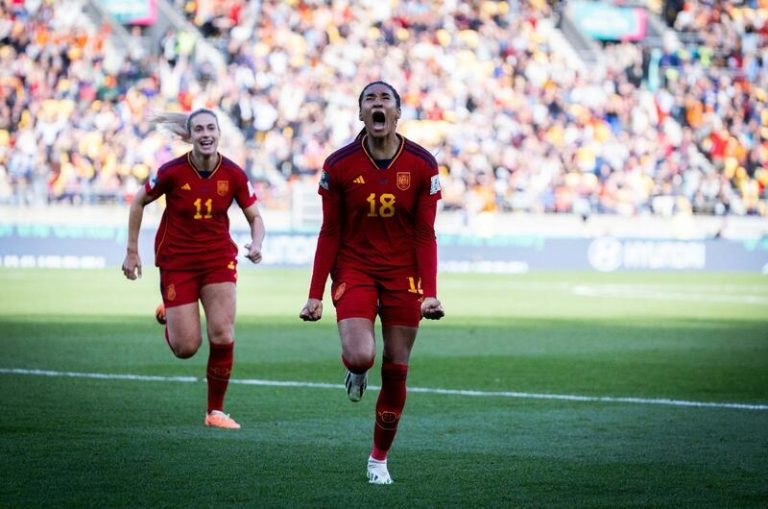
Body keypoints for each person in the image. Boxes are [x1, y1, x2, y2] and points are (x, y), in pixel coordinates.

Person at [299, 81, 445, 484]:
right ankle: (357, 370)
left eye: (385, 100)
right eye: (370, 99)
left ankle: (378, 459)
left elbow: (424, 234)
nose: (377, 105)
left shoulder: (423, 164)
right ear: (360, 113)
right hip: (355, 268)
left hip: (404, 275)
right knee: (362, 356)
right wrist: (315, 296)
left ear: (397, 113)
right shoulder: (339, 164)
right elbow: (329, 231)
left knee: (397, 366)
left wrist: (430, 293)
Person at [122, 108, 265, 430]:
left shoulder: (234, 174)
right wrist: (132, 251)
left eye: (210, 128)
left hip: (217, 261)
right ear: (190, 135)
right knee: (186, 348)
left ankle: (215, 411)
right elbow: (137, 202)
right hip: (178, 263)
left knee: (223, 332)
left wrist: (257, 244)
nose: (205, 134)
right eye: (198, 129)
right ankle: (170, 315)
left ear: (218, 133)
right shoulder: (171, 171)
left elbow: (255, 217)